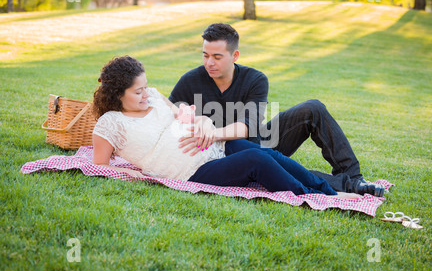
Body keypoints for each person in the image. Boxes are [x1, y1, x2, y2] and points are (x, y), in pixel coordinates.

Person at [91, 55, 362, 199]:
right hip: (192, 170)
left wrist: (203, 121)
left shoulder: (154, 94)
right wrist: (139, 177)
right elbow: (98, 166)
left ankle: (329, 190)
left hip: (214, 146)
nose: (145, 95)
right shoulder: (110, 124)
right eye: (137, 92)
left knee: (267, 153)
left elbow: (182, 115)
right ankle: (314, 197)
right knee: (256, 159)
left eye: (145, 87)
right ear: (117, 94)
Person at [168, 23, 384, 197]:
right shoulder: (190, 80)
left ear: (235, 56)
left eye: (217, 57)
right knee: (277, 168)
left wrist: (213, 132)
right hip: (219, 156)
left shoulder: (255, 79)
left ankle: (353, 177)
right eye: (205, 55)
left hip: (257, 142)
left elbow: (249, 126)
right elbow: (170, 112)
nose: (209, 63)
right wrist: (191, 115)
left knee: (313, 108)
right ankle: (346, 186)